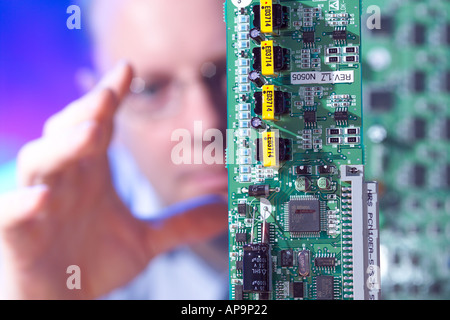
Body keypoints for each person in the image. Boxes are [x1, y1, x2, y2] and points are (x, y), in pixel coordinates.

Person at [0, 0, 230, 299]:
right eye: (150, 89)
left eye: (232, 75)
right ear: (107, 112)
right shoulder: (34, 223)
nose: (205, 126)